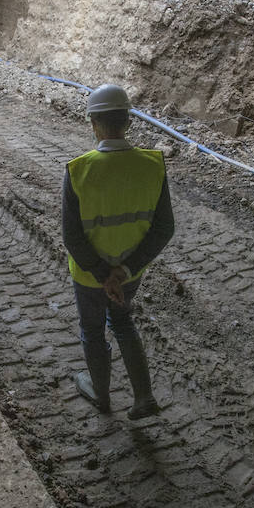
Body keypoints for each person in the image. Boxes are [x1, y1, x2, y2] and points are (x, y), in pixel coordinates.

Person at [62, 84, 174, 420]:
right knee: (123, 322)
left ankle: (102, 394)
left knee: (93, 330)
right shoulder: (153, 165)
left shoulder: (79, 170)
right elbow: (163, 228)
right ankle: (143, 396)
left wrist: (101, 274)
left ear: (93, 123)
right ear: (127, 121)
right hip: (130, 273)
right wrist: (123, 272)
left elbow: (72, 236)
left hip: (88, 276)